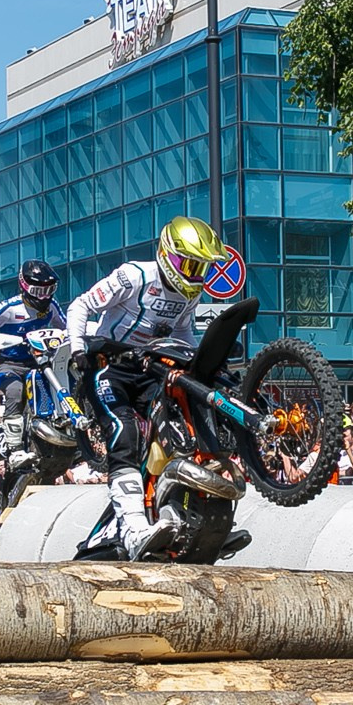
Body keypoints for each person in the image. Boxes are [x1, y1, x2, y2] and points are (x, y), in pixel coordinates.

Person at [63, 216, 226, 559]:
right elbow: (81, 305)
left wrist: (197, 362)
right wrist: (78, 346)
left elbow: (182, 333)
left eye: (202, 268)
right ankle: (135, 530)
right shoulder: (134, 275)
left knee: (184, 424)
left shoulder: (188, 296)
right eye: (190, 265)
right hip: (110, 367)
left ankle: (200, 517)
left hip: (150, 369)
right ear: (168, 254)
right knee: (126, 433)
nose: (196, 275)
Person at [0, 259, 66, 466]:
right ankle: (15, 450)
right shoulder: (9, 308)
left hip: (41, 363)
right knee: (15, 392)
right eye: (38, 290)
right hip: (10, 364)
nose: (45, 295)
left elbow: (64, 327)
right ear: (25, 286)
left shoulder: (52, 306)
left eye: (49, 289)